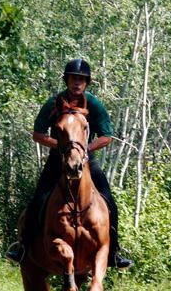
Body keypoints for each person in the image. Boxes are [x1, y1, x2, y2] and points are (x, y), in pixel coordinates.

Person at [7, 58, 133, 269]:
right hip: (58, 159)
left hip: (85, 159)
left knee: (109, 200)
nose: (77, 83)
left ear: (87, 83)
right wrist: (61, 147)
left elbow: (107, 136)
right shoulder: (53, 103)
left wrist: (83, 150)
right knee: (38, 199)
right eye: (74, 79)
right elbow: (37, 134)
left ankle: (114, 251)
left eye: (82, 80)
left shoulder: (93, 104)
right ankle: (23, 247)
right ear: (67, 80)